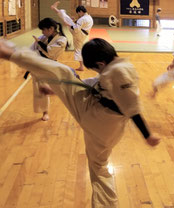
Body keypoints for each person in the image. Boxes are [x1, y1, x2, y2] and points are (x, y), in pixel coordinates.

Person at [0, 38, 160, 207]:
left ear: (100, 63)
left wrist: (147, 134)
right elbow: (98, 85)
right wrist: (58, 90)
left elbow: (131, 107)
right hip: (111, 129)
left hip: (98, 118)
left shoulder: (119, 71)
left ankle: (11, 53)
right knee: (98, 168)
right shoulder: (117, 66)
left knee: (64, 72)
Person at [28, 17, 68, 121]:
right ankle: (44, 111)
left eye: (43, 30)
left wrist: (39, 43)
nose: (42, 32)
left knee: (46, 89)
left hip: (49, 66)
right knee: (39, 90)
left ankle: (46, 111)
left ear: (50, 29)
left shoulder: (62, 40)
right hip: (38, 65)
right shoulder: (43, 37)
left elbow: (50, 53)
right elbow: (32, 48)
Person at [51, 1, 93, 71]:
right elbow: (82, 24)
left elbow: (76, 29)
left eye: (78, 13)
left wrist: (67, 24)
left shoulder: (82, 19)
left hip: (78, 34)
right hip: (83, 34)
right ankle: (55, 9)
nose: (78, 15)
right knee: (67, 18)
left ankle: (55, 9)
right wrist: (75, 21)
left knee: (66, 18)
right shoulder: (89, 17)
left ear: (80, 11)